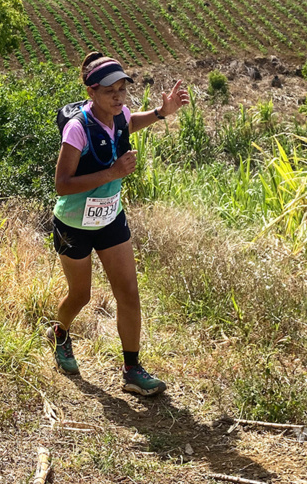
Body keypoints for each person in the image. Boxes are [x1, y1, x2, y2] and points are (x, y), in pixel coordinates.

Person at [47, 52, 189, 396]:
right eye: (110, 90)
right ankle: (59, 333)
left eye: (123, 89)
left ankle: (132, 370)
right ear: (91, 91)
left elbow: (129, 120)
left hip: (110, 217)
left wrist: (160, 113)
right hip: (73, 224)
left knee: (128, 292)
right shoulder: (77, 129)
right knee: (80, 295)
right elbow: (62, 184)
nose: (118, 97)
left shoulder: (119, 113)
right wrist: (112, 173)